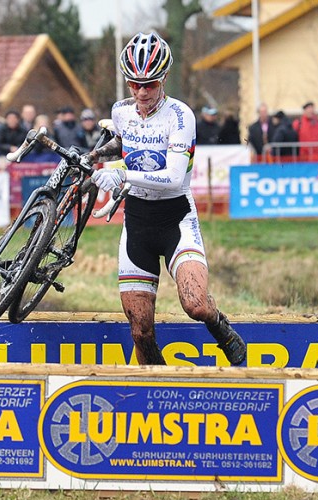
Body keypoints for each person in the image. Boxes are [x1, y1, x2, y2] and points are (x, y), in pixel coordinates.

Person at [85, 31, 246, 366]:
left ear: (164, 80)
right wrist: (96, 155)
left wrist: (122, 173)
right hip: (137, 222)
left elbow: (172, 177)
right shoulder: (121, 111)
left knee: (195, 305)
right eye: (135, 84)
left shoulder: (180, 115)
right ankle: (157, 390)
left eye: (151, 85)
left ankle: (221, 327)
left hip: (175, 218)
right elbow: (123, 142)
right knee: (141, 332)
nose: (142, 92)